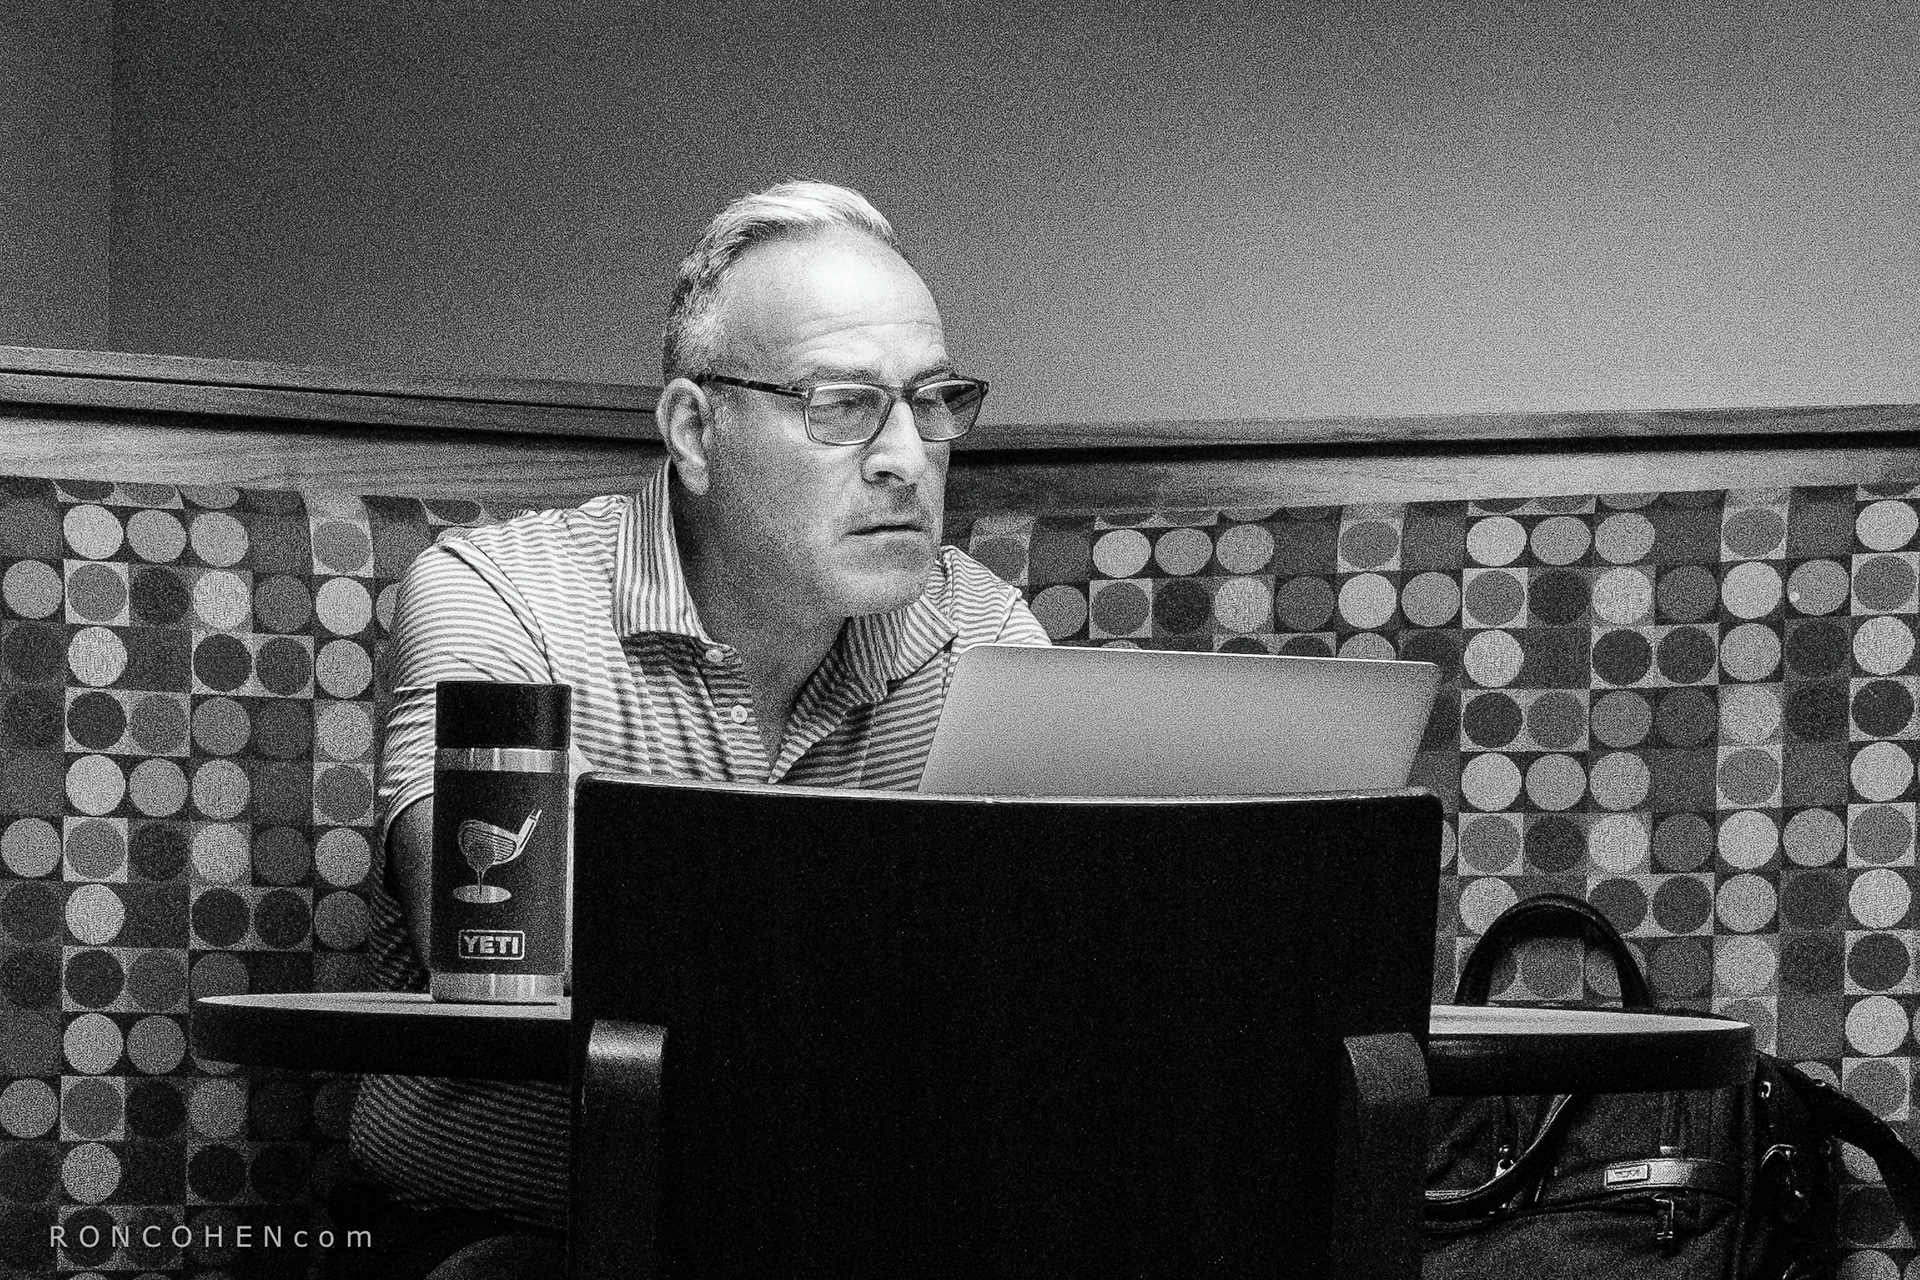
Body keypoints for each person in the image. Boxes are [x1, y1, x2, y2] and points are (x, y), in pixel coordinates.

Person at [339, 181, 1048, 1278]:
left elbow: (1064, 971)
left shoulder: (981, 632)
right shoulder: (500, 598)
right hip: (528, 1228)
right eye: (842, 405)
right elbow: (491, 922)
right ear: (695, 430)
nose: (909, 456)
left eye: (934, 401)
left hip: (860, 1236)